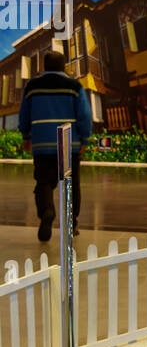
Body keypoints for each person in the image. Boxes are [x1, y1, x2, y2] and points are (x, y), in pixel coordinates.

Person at [18, 50, 93, 242]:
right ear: (63, 66)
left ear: (44, 66)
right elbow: (84, 115)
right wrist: (85, 139)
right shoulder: (74, 86)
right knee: (71, 185)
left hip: (42, 143)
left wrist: (26, 136)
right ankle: (71, 223)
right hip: (67, 142)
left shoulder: (32, 86)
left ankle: (47, 212)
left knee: (43, 182)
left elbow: (24, 115)